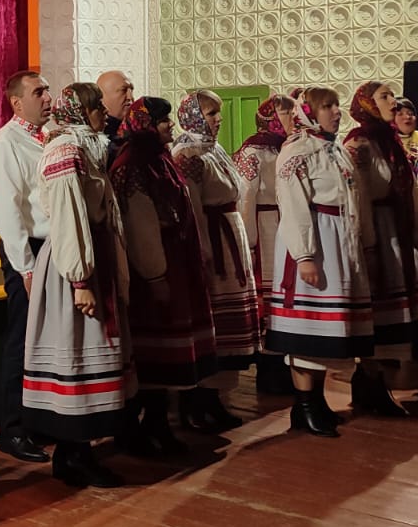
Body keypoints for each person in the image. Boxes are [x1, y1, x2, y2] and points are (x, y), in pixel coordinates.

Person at [24, 83, 131, 488]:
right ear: (79, 110)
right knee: (76, 350)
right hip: (73, 263)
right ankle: (73, 454)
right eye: (95, 106)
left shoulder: (86, 147)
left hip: (93, 256)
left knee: (90, 352)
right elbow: (69, 217)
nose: (103, 111)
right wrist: (80, 279)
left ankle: (79, 451)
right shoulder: (65, 150)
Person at [110, 97, 216, 455]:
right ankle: (145, 429)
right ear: (145, 124)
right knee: (153, 350)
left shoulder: (158, 159)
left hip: (175, 259)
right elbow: (140, 225)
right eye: (162, 120)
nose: (170, 126)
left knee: (169, 348)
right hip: (154, 267)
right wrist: (155, 276)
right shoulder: (133, 165)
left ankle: (159, 425)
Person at [265, 86, 370, 437]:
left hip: (337, 240)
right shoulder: (297, 151)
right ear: (308, 112)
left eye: (337, 105)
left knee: (327, 333)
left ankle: (316, 403)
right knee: (306, 330)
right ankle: (305, 405)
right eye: (327, 106)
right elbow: (293, 204)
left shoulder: (334, 148)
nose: (337, 112)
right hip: (314, 241)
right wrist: (305, 256)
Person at [341, 81, 418, 418]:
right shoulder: (358, 144)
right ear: (367, 104)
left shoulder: (390, 142)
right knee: (377, 312)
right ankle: (370, 381)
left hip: (395, 231)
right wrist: (369, 245)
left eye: (392, 96)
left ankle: (372, 382)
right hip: (377, 233)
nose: (393, 102)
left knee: (393, 315)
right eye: (384, 97)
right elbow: (357, 198)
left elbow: (411, 192)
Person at [174, 90, 260, 431]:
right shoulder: (187, 153)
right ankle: (196, 403)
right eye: (211, 113)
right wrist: (204, 252)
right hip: (213, 238)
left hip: (229, 233)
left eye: (218, 113)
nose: (218, 119)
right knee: (211, 323)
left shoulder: (214, 148)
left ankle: (215, 399)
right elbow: (193, 208)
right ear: (193, 116)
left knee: (227, 328)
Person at [0, 70, 53, 464]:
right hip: (27, 250)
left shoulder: (49, 138)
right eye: (38, 92)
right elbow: (9, 214)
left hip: (52, 249)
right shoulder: (3, 144)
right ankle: (12, 429)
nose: (48, 98)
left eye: (47, 90)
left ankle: (41, 420)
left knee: (47, 341)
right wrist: (26, 268)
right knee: (23, 339)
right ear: (16, 102)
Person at [233, 94, 298, 394]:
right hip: (266, 227)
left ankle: (285, 362)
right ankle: (269, 369)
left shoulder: (288, 146)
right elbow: (245, 196)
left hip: (285, 223)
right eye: (285, 113)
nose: (292, 118)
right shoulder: (253, 151)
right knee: (268, 297)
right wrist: (249, 242)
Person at [96, 70, 135, 162]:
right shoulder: (94, 138)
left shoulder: (137, 130)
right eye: (123, 90)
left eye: (131, 90)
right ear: (102, 97)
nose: (130, 97)